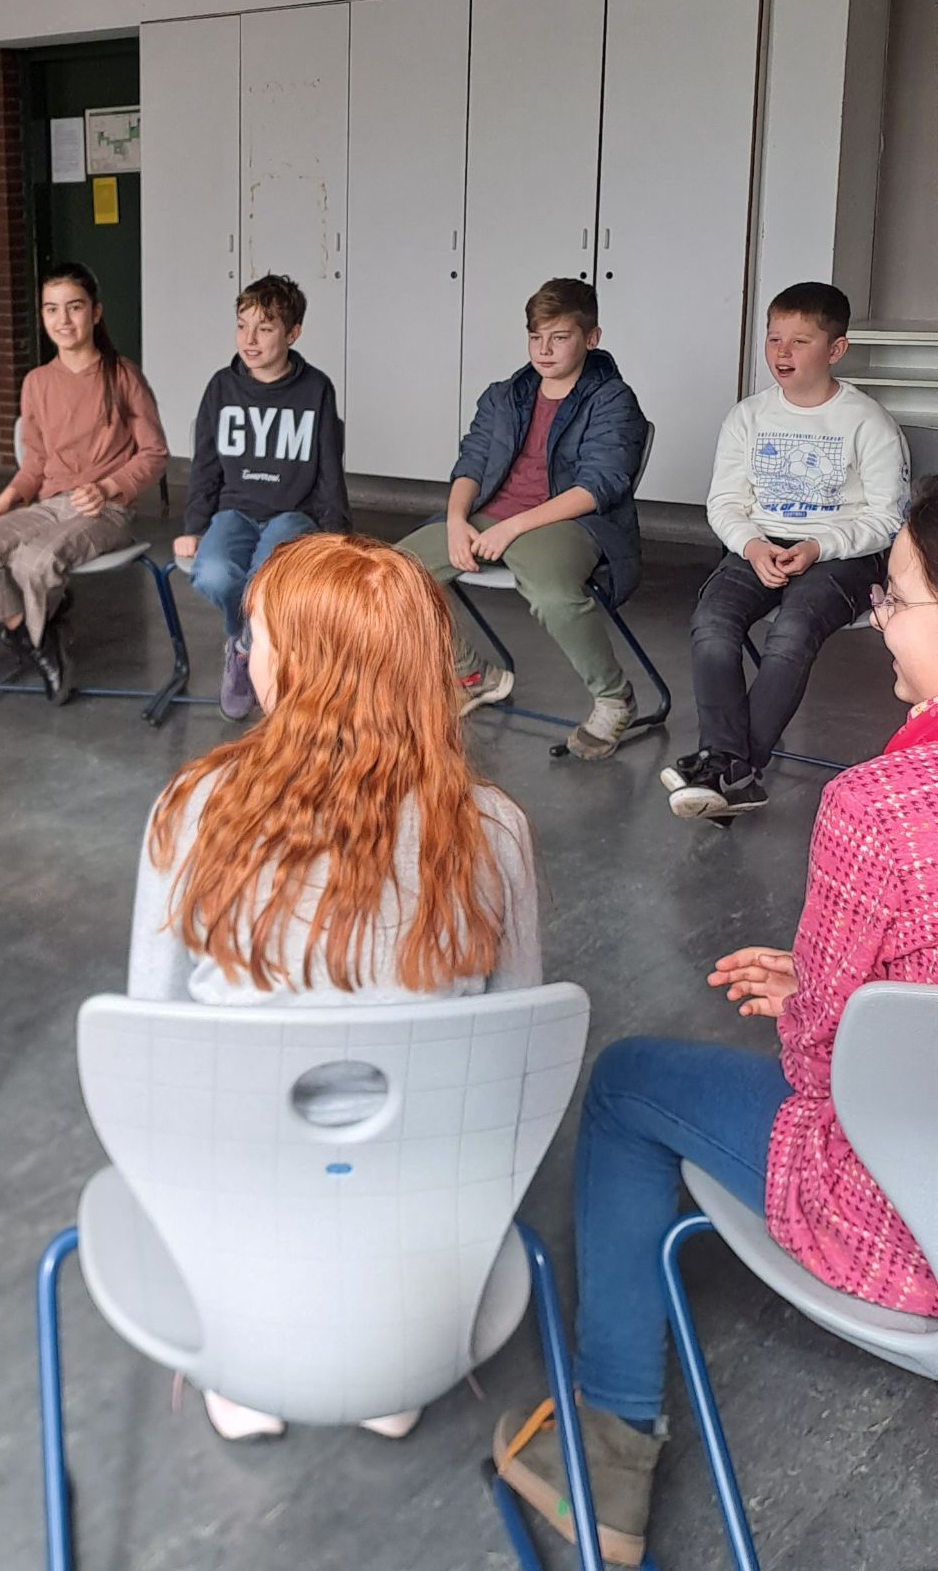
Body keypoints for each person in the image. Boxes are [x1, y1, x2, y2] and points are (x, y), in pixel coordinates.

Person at [493, 481, 938, 1570]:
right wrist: (859, 983)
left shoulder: (880, 811)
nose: (880, 615)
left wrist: (821, 995)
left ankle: (610, 1454)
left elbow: (824, 1065)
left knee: (626, 1085)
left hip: (906, 1226)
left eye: (899, 595)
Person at [129, 533, 541, 1443]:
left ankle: (254, 1361)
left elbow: (153, 1029)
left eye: (258, 638)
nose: (247, 653)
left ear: (301, 669)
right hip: (422, 1215)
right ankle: (382, 1367)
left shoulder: (194, 809)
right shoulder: (494, 830)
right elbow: (516, 1052)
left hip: (239, 1201)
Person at [661, 282, 909, 822]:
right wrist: (752, 546)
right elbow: (725, 502)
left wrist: (819, 545)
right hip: (758, 546)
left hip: (841, 555)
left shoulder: (869, 422)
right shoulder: (747, 417)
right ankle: (733, 772)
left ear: (836, 349)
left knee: (793, 631)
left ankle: (728, 767)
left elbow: (886, 519)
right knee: (712, 624)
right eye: (774, 338)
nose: (782, 352)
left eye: (800, 341)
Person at [395, 278, 648, 761]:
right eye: (536, 338)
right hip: (491, 514)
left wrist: (513, 527)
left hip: (570, 522)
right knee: (391, 574)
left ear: (591, 338)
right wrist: (456, 521)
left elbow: (599, 486)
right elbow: (471, 464)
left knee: (552, 592)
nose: (544, 350)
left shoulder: (612, 399)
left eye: (560, 337)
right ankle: (471, 675)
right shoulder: (505, 395)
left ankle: (614, 697)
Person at [0, 265, 168, 702]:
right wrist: (0, 505)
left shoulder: (122, 375)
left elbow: (155, 454)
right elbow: (35, 463)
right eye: (51, 309)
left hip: (105, 510)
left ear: (95, 313)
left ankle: (33, 635)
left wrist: (107, 488)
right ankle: (34, 638)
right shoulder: (36, 382)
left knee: (35, 560)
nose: (63, 320)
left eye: (74, 307)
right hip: (51, 504)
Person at [172, 273, 349, 721]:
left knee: (266, 583)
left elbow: (330, 469)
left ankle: (248, 653)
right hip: (234, 512)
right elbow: (205, 464)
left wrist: (338, 536)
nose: (249, 340)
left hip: (293, 514)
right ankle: (246, 642)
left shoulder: (316, 389)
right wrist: (195, 526)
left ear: (293, 333)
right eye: (242, 326)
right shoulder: (221, 387)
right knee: (212, 573)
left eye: (265, 328)